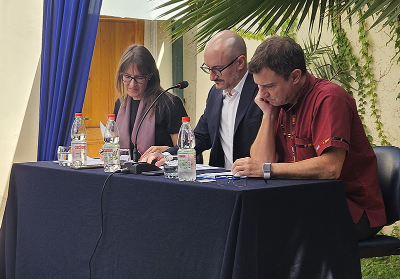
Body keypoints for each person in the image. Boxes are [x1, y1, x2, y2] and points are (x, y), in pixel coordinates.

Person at [231, 36, 386, 240]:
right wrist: (268, 115)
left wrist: (267, 169)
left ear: (295, 76)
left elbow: (330, 168)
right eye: (258, 86)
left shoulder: (330, 98)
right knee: (243, 220)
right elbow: (261, 163)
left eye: (269, 86)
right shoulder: (279, 101)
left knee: (268, 231)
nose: (261, 95)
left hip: (348, 207)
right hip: (303, 201)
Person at [141, 30, 262, 169]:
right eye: (208, 68)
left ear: (240, 62)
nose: (212, 77)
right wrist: (168, 155)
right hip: (222, 181)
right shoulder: (215, 94)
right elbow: (201, 136)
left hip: (254, 181)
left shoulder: (261, 91)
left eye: (217, 69)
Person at [113, 44, 187, 160]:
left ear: (150, 76)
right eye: (127, 77)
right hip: (125, 172)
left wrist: (167, 151)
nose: (132, 84)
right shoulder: (120, 104)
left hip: (160, 173)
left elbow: (185, 149)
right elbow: (115, 144)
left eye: (139, 78)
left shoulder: (170, 104)